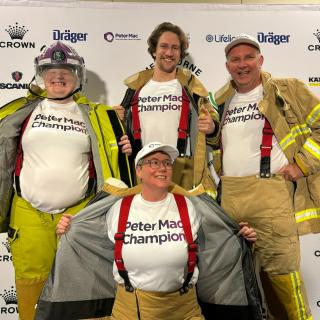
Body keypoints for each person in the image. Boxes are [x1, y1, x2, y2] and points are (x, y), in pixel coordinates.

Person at [0, 41, 133, 320]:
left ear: (78, 76)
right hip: (28, 213)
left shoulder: (100, 116)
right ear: (40, 75)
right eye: (50, 70)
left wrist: (125, 145)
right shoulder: (21, 112)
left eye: (66, 70)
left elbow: (118, 164)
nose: (58, 76)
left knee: (80, 288)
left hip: (79, 214)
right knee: (30, 287)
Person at [53, 142, 259, 320]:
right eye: (154, 162)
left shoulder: (191, 205)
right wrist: (69, 226)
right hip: (129, 312)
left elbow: (219, 241)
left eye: (167, 163)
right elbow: (86, 238)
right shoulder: (116, 209)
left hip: (184, 311)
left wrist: (240, 236)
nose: (162, 168)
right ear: (139, 171)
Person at [213, 33, 320, 320]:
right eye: (235, 59)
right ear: (227, 66)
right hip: (230, 199)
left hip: (271, 197)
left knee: (284, 280)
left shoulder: (287, 89)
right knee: (233, 285)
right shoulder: (221, 101)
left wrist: (302, 164)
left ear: (261, 61)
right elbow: (214, 146)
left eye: (249, 57)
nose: (242, 64)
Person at [115, 22, 219, 196]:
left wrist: (211, 127)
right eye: (164, 46)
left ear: (180, 54)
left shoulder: (193, 88)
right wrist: (115, 119)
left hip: (183, 171)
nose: (169, 53)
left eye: (175, 48)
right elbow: (120, 136)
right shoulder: (135, 89)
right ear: (154, 50)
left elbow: (215, 132)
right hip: (142, 171)